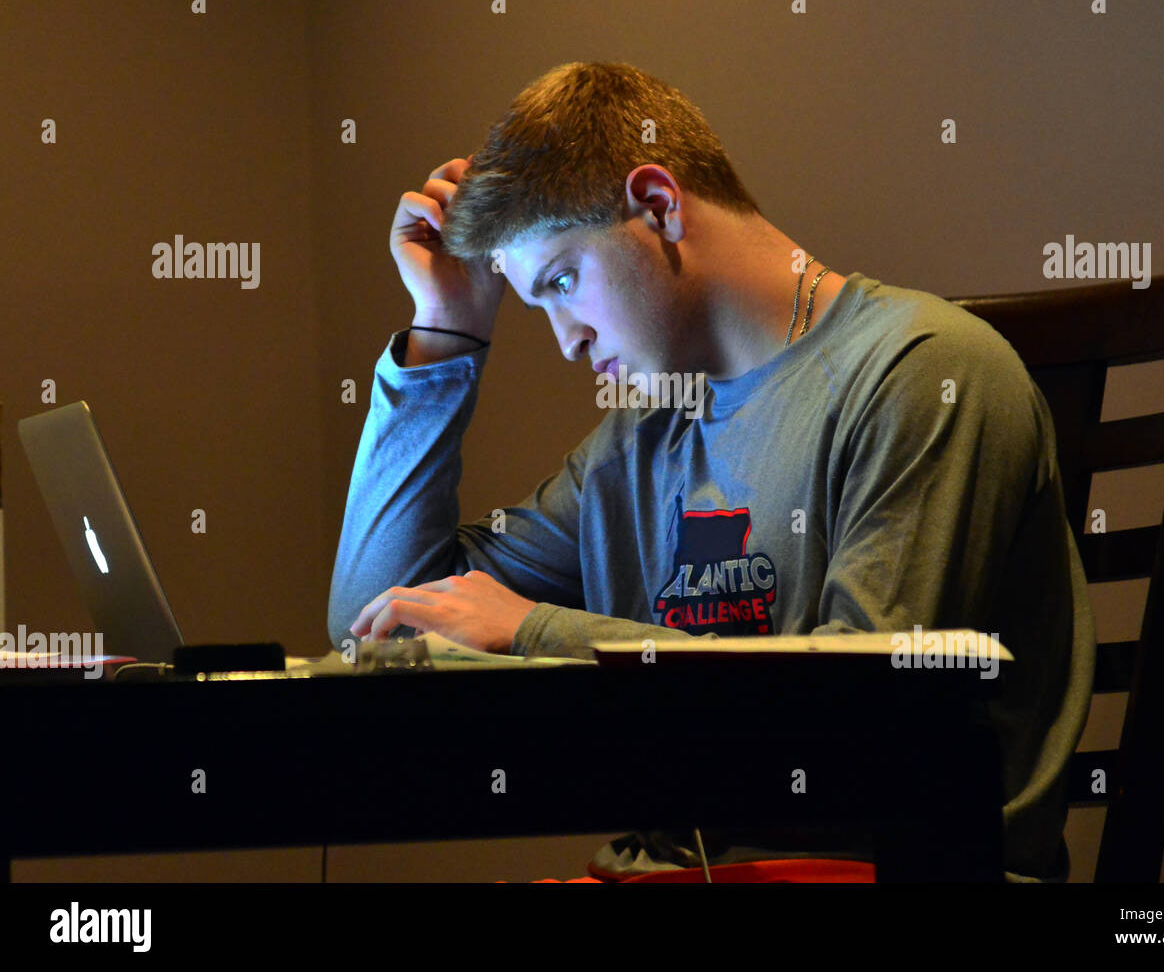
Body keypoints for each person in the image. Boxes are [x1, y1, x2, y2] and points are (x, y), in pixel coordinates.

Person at [327, 61, 1095, 883]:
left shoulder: (927, 372)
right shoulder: (635, 442)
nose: (564, 341)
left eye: (561, 281)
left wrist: (534, 630)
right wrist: (445, 328)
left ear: (658, 206)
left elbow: (860, 726)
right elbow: (374, 621)